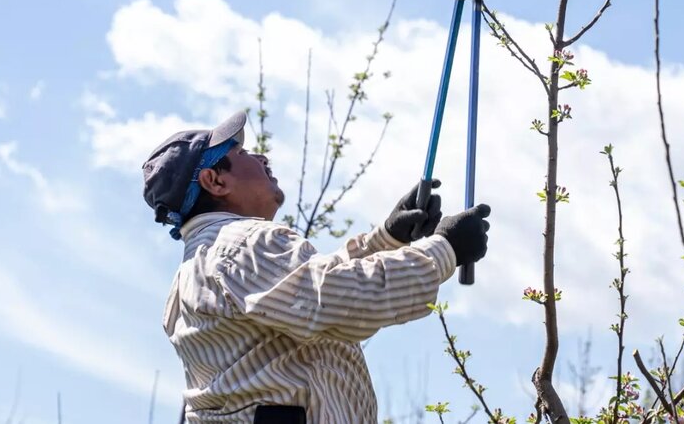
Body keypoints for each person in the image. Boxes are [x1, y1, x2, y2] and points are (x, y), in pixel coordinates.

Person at [141, 111, 492, 424]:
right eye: (241, 153)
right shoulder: (242, 244)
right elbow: (339, 300)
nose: (261, 157)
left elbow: (302, 296)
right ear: (215, 181)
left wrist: (387, 239)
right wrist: (446, 249)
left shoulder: (198, 269)